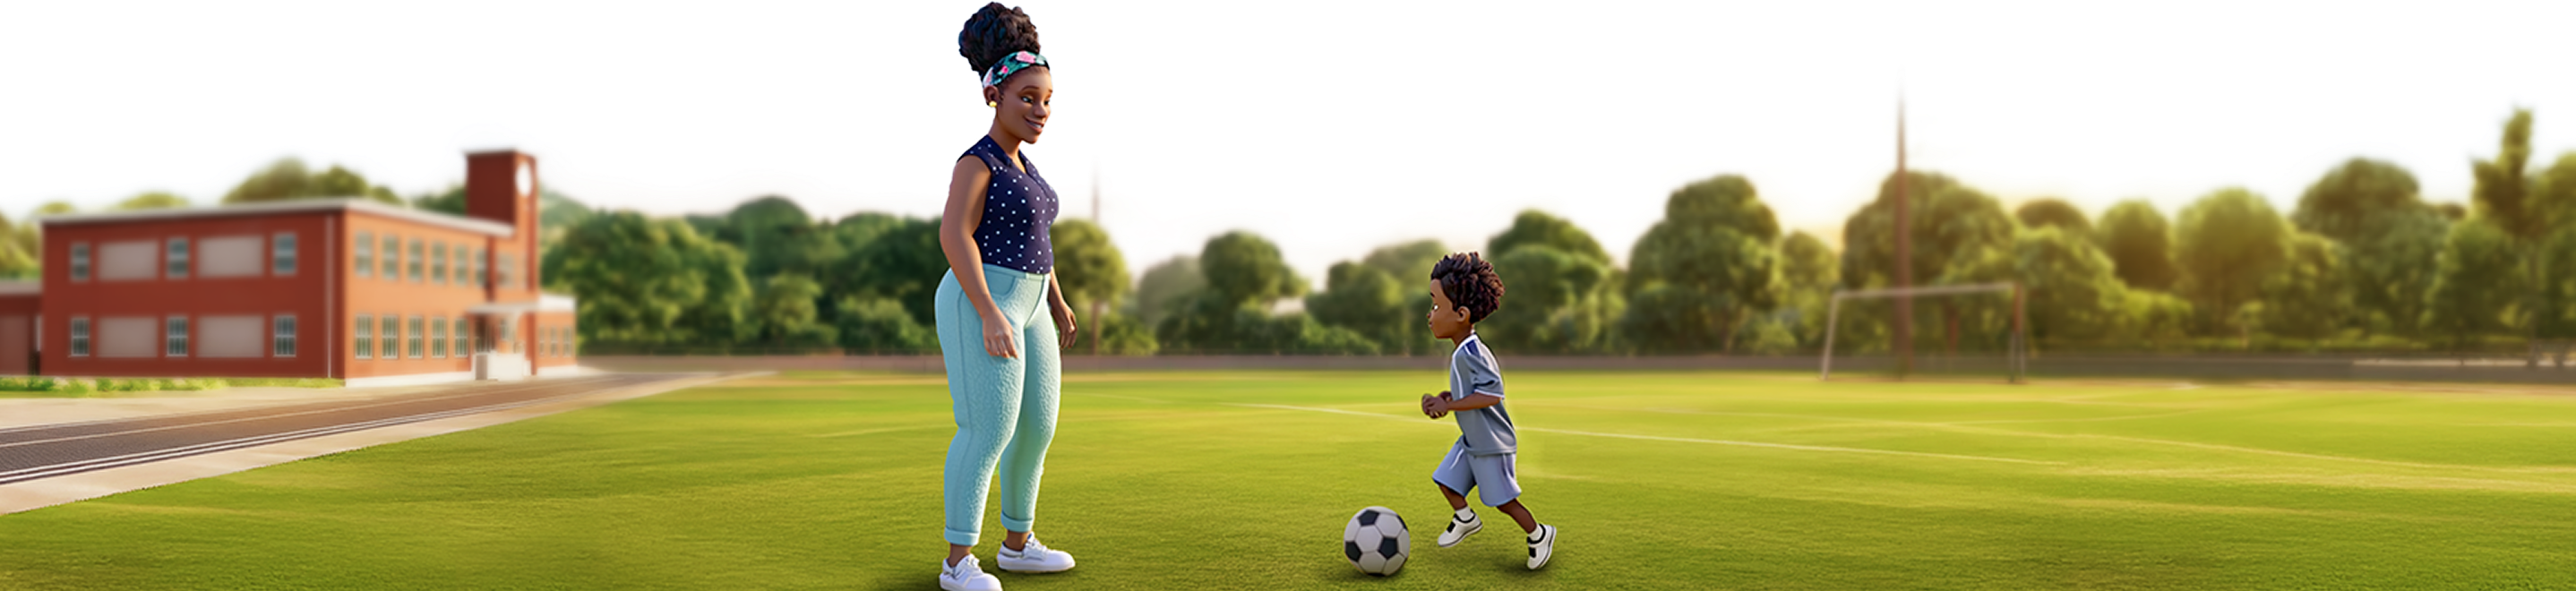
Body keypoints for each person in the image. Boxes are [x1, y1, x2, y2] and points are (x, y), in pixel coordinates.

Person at [933, 4, 1076, 590]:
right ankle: (957, 561)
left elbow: (1038, 241)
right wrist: (990, 310)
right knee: (986, 429)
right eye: (1028, 98)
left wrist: (1058, 300)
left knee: (1037, 426)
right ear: (995, 95)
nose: (1040, 111)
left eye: (1046, 99)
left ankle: (1018, 544)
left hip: (1034, 303)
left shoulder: (1031, 170)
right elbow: (953, 234)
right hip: (982, 298)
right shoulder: (979, 162)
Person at [1418, 252, 1558, 570]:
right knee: (1445, 481)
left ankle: (1539, 534)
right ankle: (1465, 519)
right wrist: (1446, 397)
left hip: (1492, 444)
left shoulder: (1472, 352)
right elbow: (1472, 391)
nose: (1430, 314)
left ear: (1462, 314)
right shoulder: (1461, 352)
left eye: (1436, 306)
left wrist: (1450, 405)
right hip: (1472, 440)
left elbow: (1492, 394)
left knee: (1503, 502)